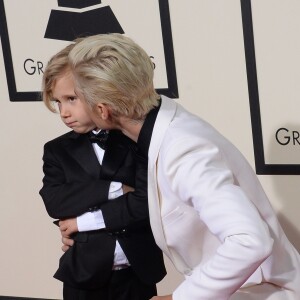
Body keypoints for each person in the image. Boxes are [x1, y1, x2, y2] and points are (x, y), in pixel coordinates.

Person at [57, 33, 300, 300]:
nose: (67, 110)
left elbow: (250, 240)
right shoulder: (154, 127)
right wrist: (86, 230)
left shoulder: (183, 149)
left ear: (103, 110)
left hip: (261, 292)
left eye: (75, 98)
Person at [39, 43, 166, 300]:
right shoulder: (57, 150)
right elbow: (55, 201)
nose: (64, 113)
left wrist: (78, 222)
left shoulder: (135, 140)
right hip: (84, 275)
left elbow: (143, 205)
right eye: (57, 102)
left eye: (72, 99)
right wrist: (115, 189)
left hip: (137, 272)